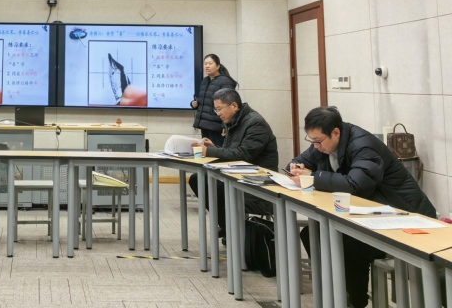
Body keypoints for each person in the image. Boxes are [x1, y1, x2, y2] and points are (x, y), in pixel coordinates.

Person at [287, 106, 436, 308]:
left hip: (403, 218)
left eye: (318, 141)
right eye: (311, 141)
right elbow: (300, 160)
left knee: (348, 242)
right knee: (312, 233)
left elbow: (355, 185)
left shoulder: (364, 146)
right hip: (372, 215)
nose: (315, 147)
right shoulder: (323, 144)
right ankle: (335, 294)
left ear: (336, 132)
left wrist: (313, 177)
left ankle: (354, 301)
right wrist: (295, 167)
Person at [187, 88, 278, 237]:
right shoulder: (233, 121)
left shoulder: (256, 124)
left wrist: (208, 151)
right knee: (198, 179)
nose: (218, 114)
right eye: (216, 110)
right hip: (237, 177)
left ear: (234, 106)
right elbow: (231, 151)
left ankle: (235, 231)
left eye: (219, 109)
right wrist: (215, 148)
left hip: (256, 184)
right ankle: (230, 227)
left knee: (210, 185)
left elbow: (243, 155)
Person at [191, 54, 237, 147]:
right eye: (205, 64)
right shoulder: (205, 81)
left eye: (210, 63)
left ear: (218, 66)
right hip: (205, 124)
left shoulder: (225, 81)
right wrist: (194, 104)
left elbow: (229, 105)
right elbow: (204, 101)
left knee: (217, 150)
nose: (207, 66)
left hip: (217, 126)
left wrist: (225, 125)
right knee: (206, 150)